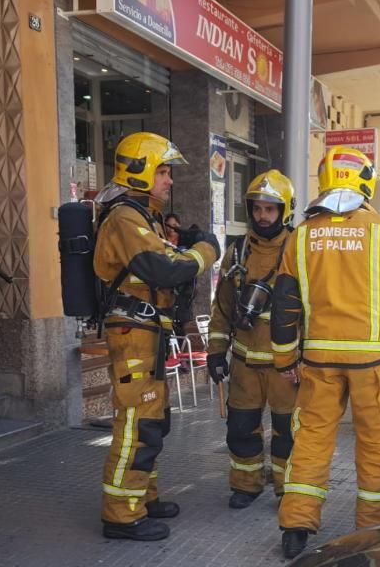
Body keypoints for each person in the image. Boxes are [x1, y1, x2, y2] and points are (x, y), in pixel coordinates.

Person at [270, 146, 380, 558]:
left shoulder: (302, 236)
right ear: (365, 181)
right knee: (376, 444)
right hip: (371, 364)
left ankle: (296, 526)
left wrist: (284, 359)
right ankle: (372, 532)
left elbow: (284, 305)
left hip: (318, 361)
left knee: (311, 441)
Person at [93, 131, 220, 541]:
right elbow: (164, 270)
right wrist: (206, 252)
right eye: (162, 171)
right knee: (136, 424)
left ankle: (142, 499)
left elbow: (164, 261)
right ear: (140, 170)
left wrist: (185, 246)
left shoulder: (140, 216)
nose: (168, 180)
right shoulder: (125, 218)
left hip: (146, 334)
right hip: (133, 335)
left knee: (152, 420)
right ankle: (121, 514)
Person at [206, 170, 298, 509]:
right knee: (241, 428)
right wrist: (216, 352)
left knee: (287, 433)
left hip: (286, 367)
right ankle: (246, 484)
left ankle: (288, 490)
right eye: (257, 208)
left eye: (270, 209)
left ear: (285, 210)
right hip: (245, 363)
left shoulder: (299, 249)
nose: (262, 216)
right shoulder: (238, 251)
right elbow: (223, 307)